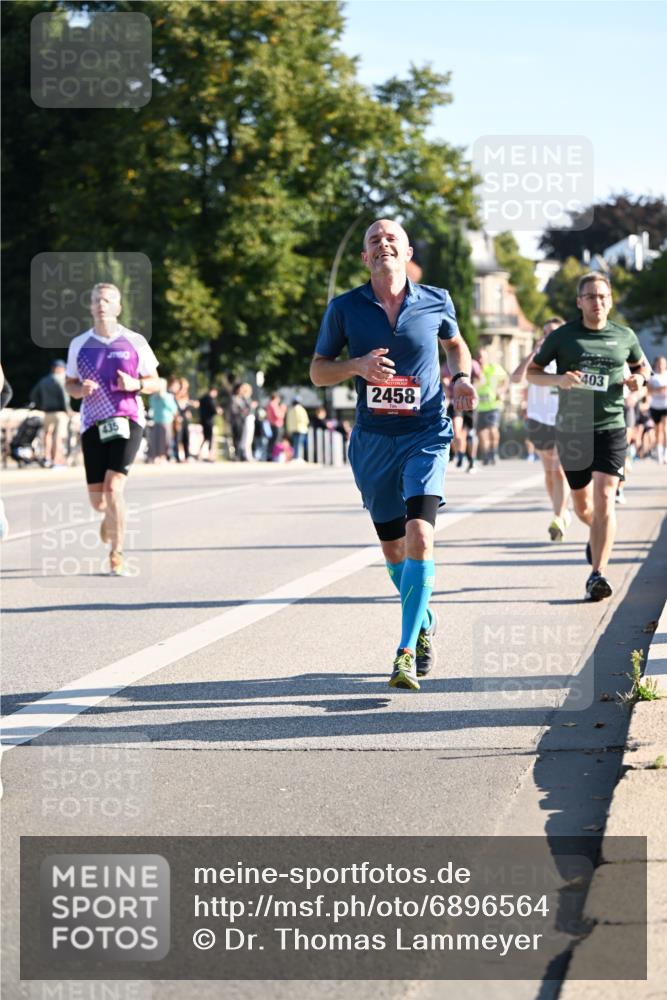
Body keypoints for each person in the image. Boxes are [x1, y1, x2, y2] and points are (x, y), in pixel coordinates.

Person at [311, 218, 477, 691]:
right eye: (373, 241)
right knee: (393, 548)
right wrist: (356, 366)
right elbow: (319, 371)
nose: (382, 244)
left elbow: (455, 344)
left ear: (406, 253)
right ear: (365, 258)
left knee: (420, 534)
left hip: (426, 432)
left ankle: (406, 650)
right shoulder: (344, 308)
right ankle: (423, 618)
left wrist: (461, 377)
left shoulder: (437, 300)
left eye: (391, 239)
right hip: (373, 441)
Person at [527, 272, 650, 601]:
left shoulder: (624, 335)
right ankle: (595, 534)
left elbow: (642, 368)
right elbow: (532, 374)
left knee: (606, 498)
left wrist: (638, 381)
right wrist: (560, 381)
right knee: (583, 507)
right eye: (591, 297)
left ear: (611, 301)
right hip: (573, 429)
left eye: (604, 297)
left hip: (611, 426)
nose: (598, 302)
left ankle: (597, 574)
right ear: (579, 302)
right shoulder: (564, 337)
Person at [65, 282, 159, 576]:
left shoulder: (135, 342)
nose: (101, 304)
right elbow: (69, 384)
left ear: (118, 308)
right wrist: (80, 389)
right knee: (98, 501)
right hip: (93, 422)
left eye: (107, 300)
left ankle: (116, 554)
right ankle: (109, 518)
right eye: (96, 300)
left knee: (114, 487)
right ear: (91, 307)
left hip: (128, 419)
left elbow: (156, 382)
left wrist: (137, 385)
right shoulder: (79, 344)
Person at [511, 316, 572, 541]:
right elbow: (516, 379)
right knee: (548, 472)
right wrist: (532, 354)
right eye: (545, 331)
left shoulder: (567, 357)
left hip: (562, 420)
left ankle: (558, 516)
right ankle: (562, 511)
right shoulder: (537, 359)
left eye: (553, 331)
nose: (548, 335)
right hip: (538, 420)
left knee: (560, 471)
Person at [29, 359, 71, 467]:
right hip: (59, 413)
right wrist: (68, 410)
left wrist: (41, 405)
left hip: (47, 412)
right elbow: (64, 398)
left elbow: (33, 395)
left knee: (47, 435)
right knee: (58, 437)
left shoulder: (43, 380)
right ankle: (56, 459)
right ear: (59, 368)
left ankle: (47, 457)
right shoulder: (60, 380)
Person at [475, 346, 508, 465]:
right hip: (480, 406)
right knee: (481, 432)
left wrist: (501, 391)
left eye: (482, 357)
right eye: (478, 357)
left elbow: (505, 380)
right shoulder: (474, 370)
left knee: (492, 429)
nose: (480, 359)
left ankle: (494, 452)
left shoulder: (494, 368)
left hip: (494, 404)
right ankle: (486, 454)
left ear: (486, 358)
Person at [148, 378, 178, 462]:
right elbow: (152, 406)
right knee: (155, 439)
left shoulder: (168, 396)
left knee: (165, 440)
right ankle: (155, 456)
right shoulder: (153, 397)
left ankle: (164, 456)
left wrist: (163, 398)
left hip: (166, 421)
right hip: (156, 421)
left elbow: (174, 409)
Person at [648, 355, 667, 464]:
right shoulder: (652, 375)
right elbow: (649, 390)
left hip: (665, 405)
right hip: (655, 406)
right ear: (655, 364)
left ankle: (665, 454)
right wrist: (660, 389)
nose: (660, 366)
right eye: (659, 364)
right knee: (657, 431)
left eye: (663, 364)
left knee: (665, 429)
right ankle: (659, 453)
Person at [197, 385, 221, 461]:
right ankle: (210, 455)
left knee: (206, 437)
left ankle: (200, 453)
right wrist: (218, 411)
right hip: (209, 420)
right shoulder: (210, 399)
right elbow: (213, 410)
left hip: (203, 420)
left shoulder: (203, 398)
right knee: (210, 437)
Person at [285, 396, 310, 461]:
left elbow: (288, 421)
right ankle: (297, 457)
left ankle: (295, 456)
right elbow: (305, 420)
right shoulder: (301, 409)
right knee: (299, 444)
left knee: (295, 443)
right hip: (301, 429)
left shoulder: (290, 410)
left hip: (293, 429)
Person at [266, 391, 286, 460]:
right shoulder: (273, 404)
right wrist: (283, 410)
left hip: (272, 424)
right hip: (276, 425)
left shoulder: (269, 404)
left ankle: (270, 455)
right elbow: (279, 415)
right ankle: (274, 455)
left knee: (272, 440)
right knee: (276, 441)